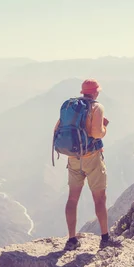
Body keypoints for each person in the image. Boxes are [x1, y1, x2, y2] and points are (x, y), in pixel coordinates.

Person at [53, 79, 121, 250]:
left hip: (74, 157)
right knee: (99, 198)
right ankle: (105, 238)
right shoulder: (96, 107)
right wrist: (104, 127)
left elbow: (56, 129)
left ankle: (71, 240)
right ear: (95, 92)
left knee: (72, 198)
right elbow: (97, 134)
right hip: (92, 157)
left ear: (83, 92)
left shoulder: (71, 107)